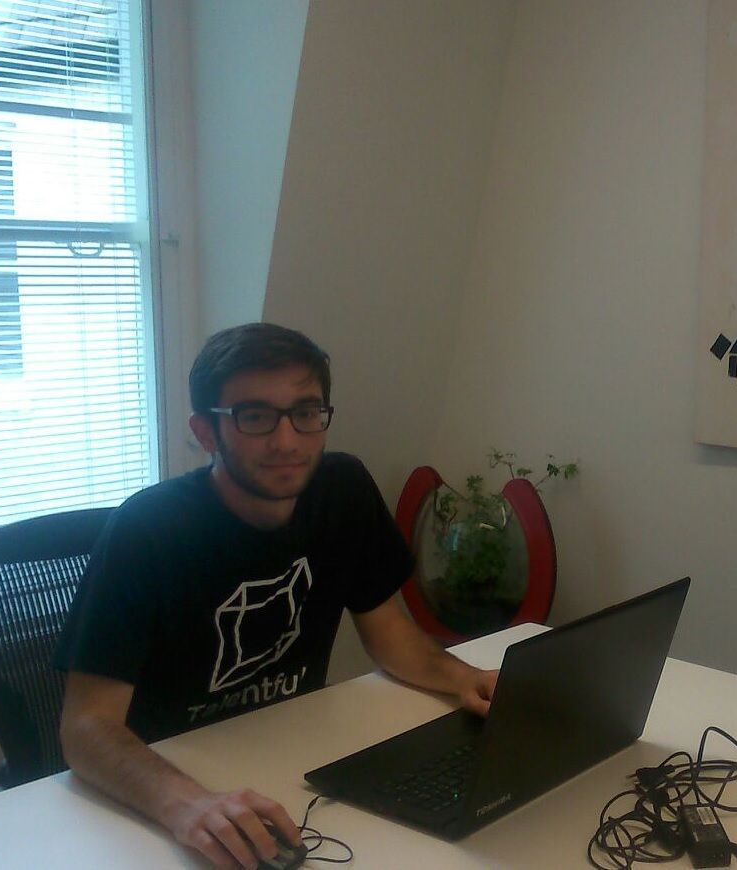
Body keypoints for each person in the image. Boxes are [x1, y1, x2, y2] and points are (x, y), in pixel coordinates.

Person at [55, 322, 498, 870]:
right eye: (255, 416)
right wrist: (188, 805)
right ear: (205, 431)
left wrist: (463, 679)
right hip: (164, 783)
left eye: (305, 412)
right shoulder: (147, 530)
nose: (287, 440)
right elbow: (86, 728)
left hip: (294, 758)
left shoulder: (343, 491)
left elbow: (388, 632)